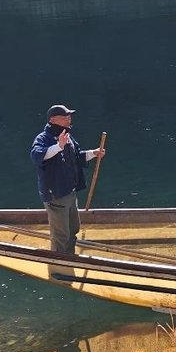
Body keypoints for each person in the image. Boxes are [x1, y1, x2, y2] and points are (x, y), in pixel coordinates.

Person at [30, 104, 106, 254]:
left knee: (73, 228)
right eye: (65, 117)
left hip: (70, 192)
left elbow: (77, 156)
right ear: (53, 120)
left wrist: (93, 153)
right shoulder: (43, 138)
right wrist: (59, 146)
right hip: (56, 194)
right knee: (61, 233)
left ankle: (69, 256)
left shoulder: (67, 136)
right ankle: (59, 263)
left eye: (69, 116)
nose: (69, 119)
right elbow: (37, 156)